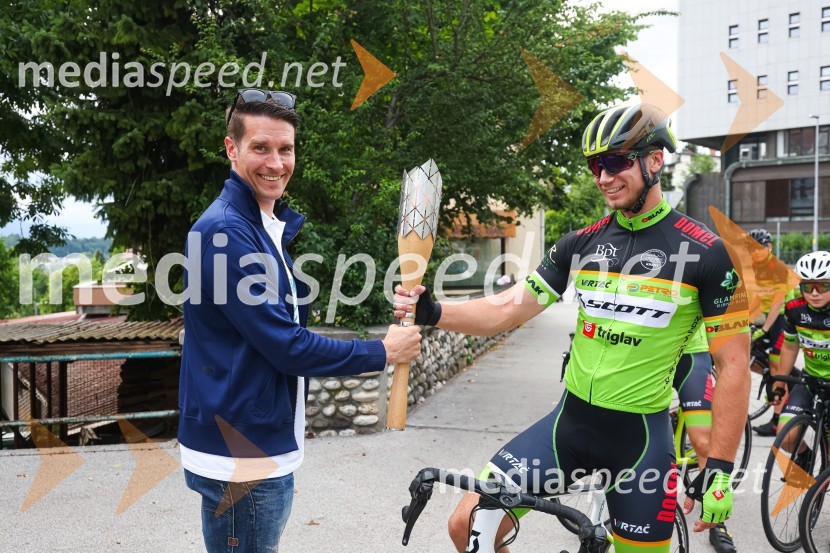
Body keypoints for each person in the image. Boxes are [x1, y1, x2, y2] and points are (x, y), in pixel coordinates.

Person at [393, 103, 750, 553]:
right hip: (569, 427)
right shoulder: (581, 243)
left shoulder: (708, 253)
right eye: (595, 165)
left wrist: (718, 466)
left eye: (616, 161)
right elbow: (507, 309)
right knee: (466, 524)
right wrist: (433, 312)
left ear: (654, 161)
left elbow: (734, 362)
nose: (602, 176)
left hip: (639, 444)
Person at [178, 89, 422, 553]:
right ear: (232, 149)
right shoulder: (227, 233)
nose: (276, 163)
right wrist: (383, 351)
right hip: (242, 458)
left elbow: (275, 321)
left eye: (285, 149)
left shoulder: (263, 227)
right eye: (260, 148)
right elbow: (286, 345)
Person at [770, 251, 830, 461]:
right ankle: (806, 460)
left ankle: (821, 484)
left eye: (822, 286)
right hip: (810, 381)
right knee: (786, 436)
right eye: (807, 287)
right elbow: (789, 346)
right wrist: (780, 382)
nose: (814, 293)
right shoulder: (794, 309)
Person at [745, 229, 790, 437]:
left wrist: (763, 329)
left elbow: (777, 302)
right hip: (769, 318)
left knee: (776, 368)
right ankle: (781, 382)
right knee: (758, 360)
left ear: (769, 247)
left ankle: (776, 422)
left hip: (782, 319)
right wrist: (745, 320)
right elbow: (759, 300)